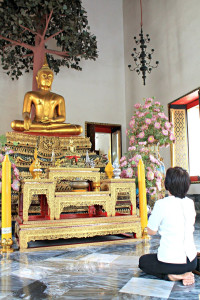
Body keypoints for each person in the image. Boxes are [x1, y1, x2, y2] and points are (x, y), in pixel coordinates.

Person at [139, 167, 197, 286]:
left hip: (171, 263)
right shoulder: (190, 203)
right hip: (192, 261)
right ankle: (185, 273)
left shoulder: (162, 204)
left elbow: (151, 231)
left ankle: (174, 276)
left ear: (167, 185)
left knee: (143, 261)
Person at [11, 59, 83, 135]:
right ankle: (45, 129)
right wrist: (26, 118)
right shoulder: (30, 95)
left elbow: (62, 117)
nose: (47, 79)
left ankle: (46, 129)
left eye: (49, 77)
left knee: (78, 128)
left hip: (52, 125)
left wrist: (52, 121)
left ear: (52, 79)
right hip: (37, 124)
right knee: (15, 124)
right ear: (37, 79)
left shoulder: (59, 98)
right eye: (44, 76)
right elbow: (26, 112)